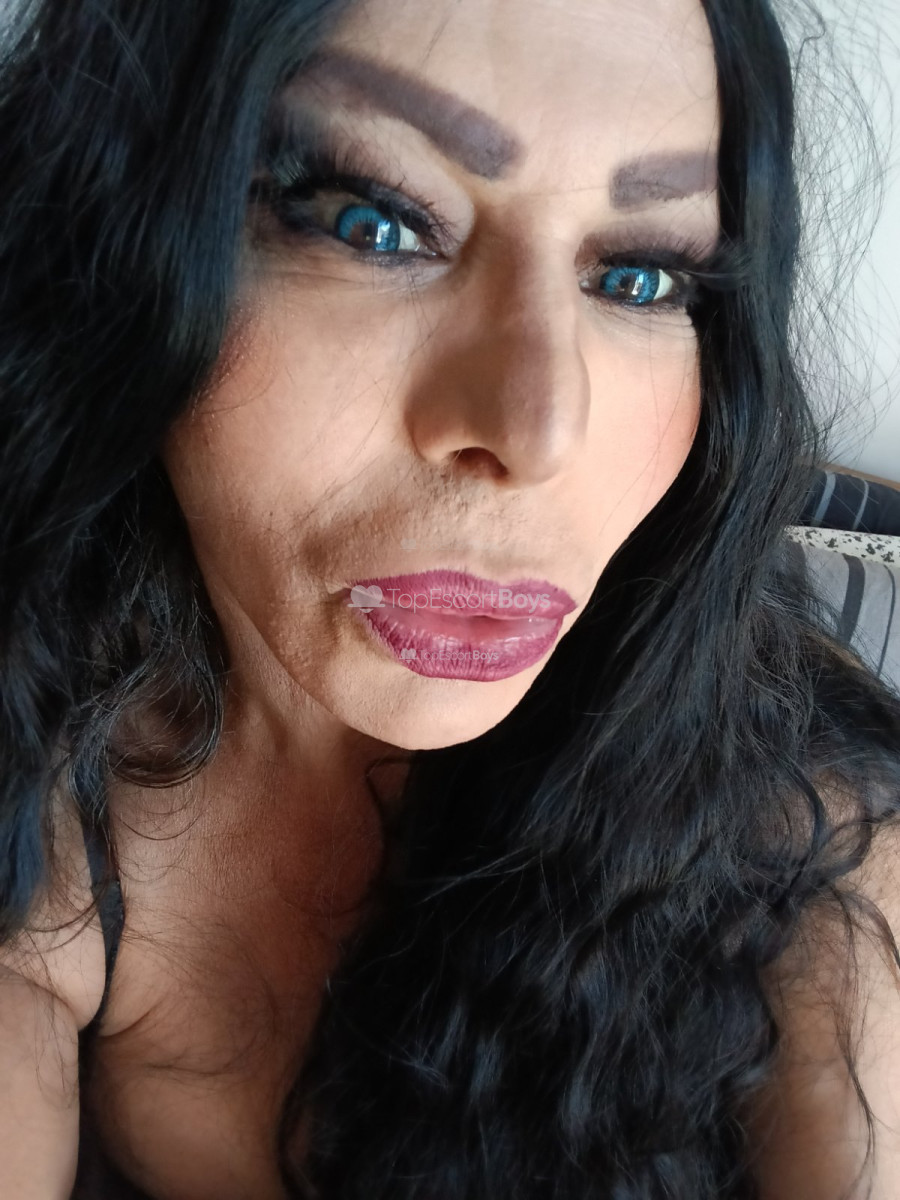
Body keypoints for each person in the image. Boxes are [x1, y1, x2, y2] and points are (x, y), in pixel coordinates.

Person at [0, 0, 899, 1197]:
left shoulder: (803, 810)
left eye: (641, 276)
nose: (535, 430)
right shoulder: (51, 776)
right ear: (124, 241)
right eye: (371, 222)